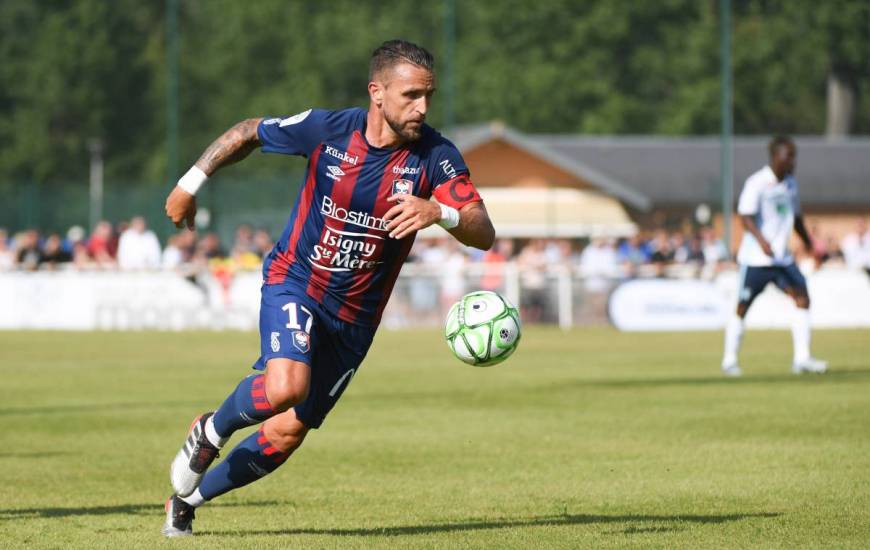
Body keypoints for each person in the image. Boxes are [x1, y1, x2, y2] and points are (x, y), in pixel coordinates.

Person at [161, 39, 494, 537]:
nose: (422, 107)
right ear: (376, 93)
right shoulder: (328, 129)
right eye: (411, 95)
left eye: (429, 95)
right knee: (286, 387)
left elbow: (483, 231)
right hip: (296, 280)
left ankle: (188, 499)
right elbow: (249, 132)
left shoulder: (436, 157)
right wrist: (190, 182)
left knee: (288, 430)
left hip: (355, 322)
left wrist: (439, 212)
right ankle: (210, 430)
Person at [721, 136, 826, 377]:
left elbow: (796, 218)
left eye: (793, 156)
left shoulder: (790, 184)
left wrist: (811, 245)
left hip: (782, 259)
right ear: (775, 156)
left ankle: (802, 359)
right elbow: (745, 216)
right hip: (757, 259)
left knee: (802, 298)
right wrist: (762, 241)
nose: (792, 161)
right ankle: (729, 361)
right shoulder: (757, 182)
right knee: (742, 306)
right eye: (788, 156)